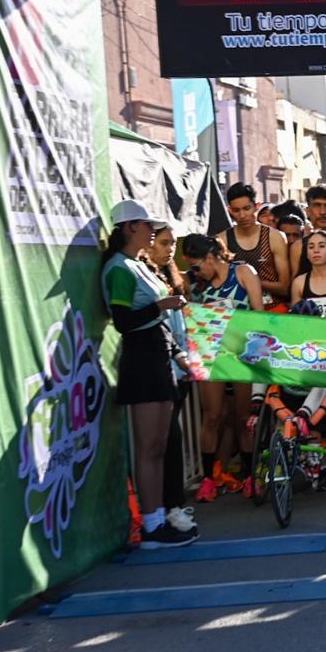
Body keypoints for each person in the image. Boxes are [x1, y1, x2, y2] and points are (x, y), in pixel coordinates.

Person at [100, 200, 196, 548]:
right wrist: (160, 306)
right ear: (129, 228)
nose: (151, 231)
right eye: (145, 225)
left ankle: (160, 517)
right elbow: (124, 322)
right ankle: (152, 523)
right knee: (148, 447)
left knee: (160, 444)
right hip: (141, 357)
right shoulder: (119, 268)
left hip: (158, 355)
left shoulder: (136, 265)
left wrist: (178, 354)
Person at [183, 233, 264, 502]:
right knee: (213, 416)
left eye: (197, 266)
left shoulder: (243, 272)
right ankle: (208, 479)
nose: (195, 272)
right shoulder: (194, 283)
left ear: (210, 257)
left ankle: (251, 476)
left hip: (241, 354)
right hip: (211, 355)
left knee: (243, 418)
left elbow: (259, 315)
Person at [142, 224, 199, 537]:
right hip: (161, 367)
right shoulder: (146, 280)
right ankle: (167, 508)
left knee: (171, 443)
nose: (168, 250)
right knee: (164, 443)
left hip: (181, 368)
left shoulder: (172, 278)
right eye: (163, 243)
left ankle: (173, 505)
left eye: (171, 244)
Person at [220, 182, 290, 310]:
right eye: (236, 210)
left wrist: (250, 282)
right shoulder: (222, 240)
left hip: (272, 309)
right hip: (237, 312)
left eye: (247, 209)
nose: (242, 215)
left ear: (256, 207)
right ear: (229, 210)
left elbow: (284, 287)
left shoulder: (274, 237)